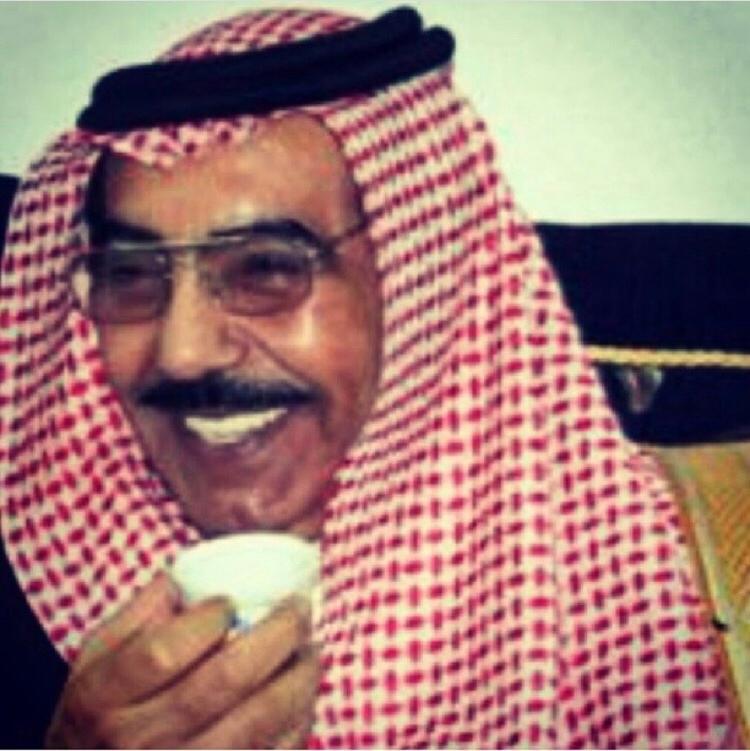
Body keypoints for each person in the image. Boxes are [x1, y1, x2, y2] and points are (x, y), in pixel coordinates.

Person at [0, 6, 743, 748]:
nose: (183, 351)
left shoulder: (662, 582)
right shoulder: (35, 597)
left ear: (417, 283)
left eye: (266, 268)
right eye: (131, 274)